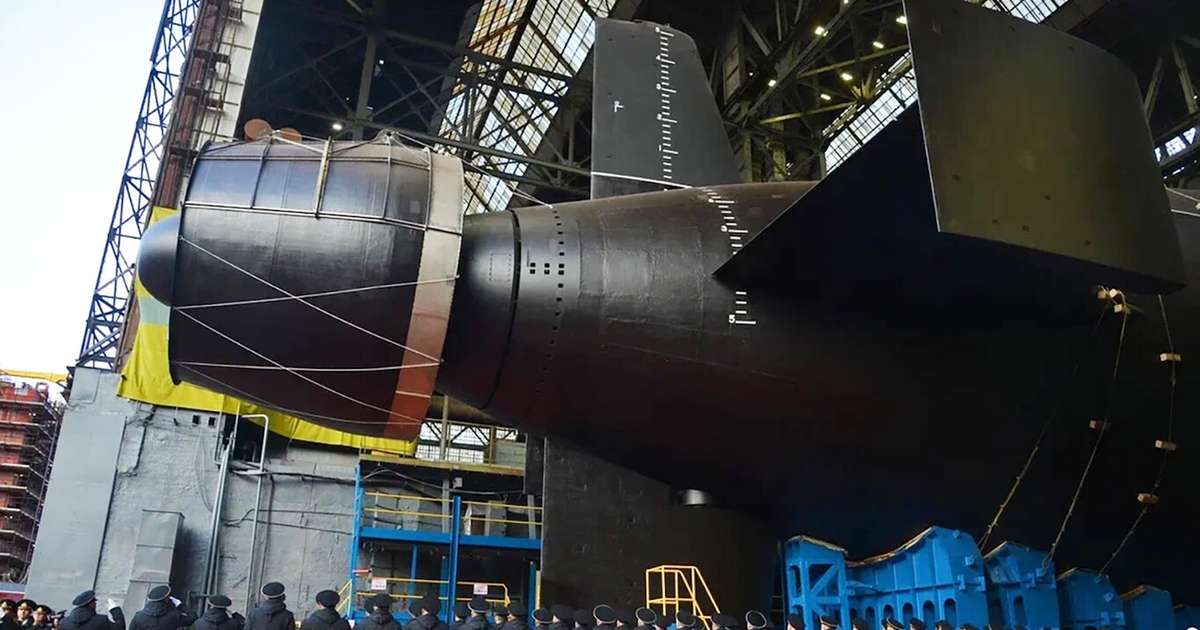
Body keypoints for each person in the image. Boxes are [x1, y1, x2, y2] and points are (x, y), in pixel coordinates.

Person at [128, 586, 195, 630]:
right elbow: (192, 617)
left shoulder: (138, 617)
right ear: (166, 599)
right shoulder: (174, 616)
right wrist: (180, 605)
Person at [58, 591, 126, 630]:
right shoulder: (101, 621)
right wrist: (115, 610)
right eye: (94, 602)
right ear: (91, 604)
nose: (96, 604)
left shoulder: (64, 622)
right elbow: (120, 628)